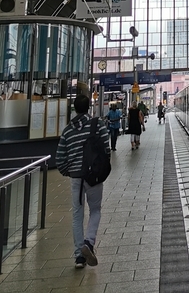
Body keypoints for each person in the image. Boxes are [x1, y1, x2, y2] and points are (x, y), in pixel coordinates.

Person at [55, 94, 110, 269]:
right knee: (95, 210)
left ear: (75, 108)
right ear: (88, 107)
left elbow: (60, 158)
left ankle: (79, 256)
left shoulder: (67, 131)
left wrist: (69, 172)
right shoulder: (97, 124)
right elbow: (106, 149)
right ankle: (89, 242)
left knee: (77, 214)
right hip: (93, 176)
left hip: (76, 178)